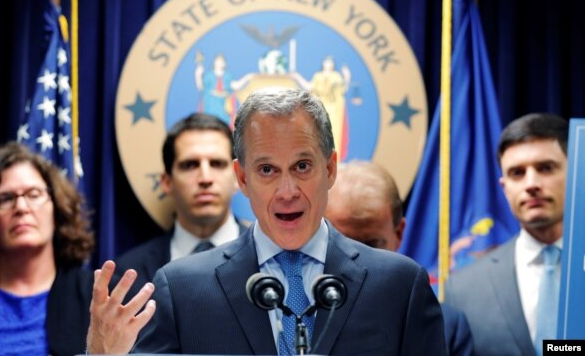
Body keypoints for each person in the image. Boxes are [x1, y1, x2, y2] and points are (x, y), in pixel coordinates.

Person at [87, 88, 446, 355]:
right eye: (267, 170)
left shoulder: (400, 286)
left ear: (330, 168)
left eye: (302, 166)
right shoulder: (182, 290)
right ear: (242, 178)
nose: (287, 190)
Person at [445, 113, 568, 356]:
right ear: (505, 187)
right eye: (517, 173)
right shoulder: (463, 289)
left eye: (545, 168)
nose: (531, 183)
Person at [324, 160, 474, 356]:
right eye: (344, 243)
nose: (357, 259)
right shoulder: (289, 313)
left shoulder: (447, 329)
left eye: (371, 244)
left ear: (399, 233)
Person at [0, 142, 97, 356]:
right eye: (5, 198)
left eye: (33, 194)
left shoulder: (96, 297)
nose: (21, 208)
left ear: (56, 207)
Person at [115, 112, 251, 291]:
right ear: (167, 182)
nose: (205, 178)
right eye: (190, 165)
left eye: (217, 164)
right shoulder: (127, 275)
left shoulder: (270, 259)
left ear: (237, 177)